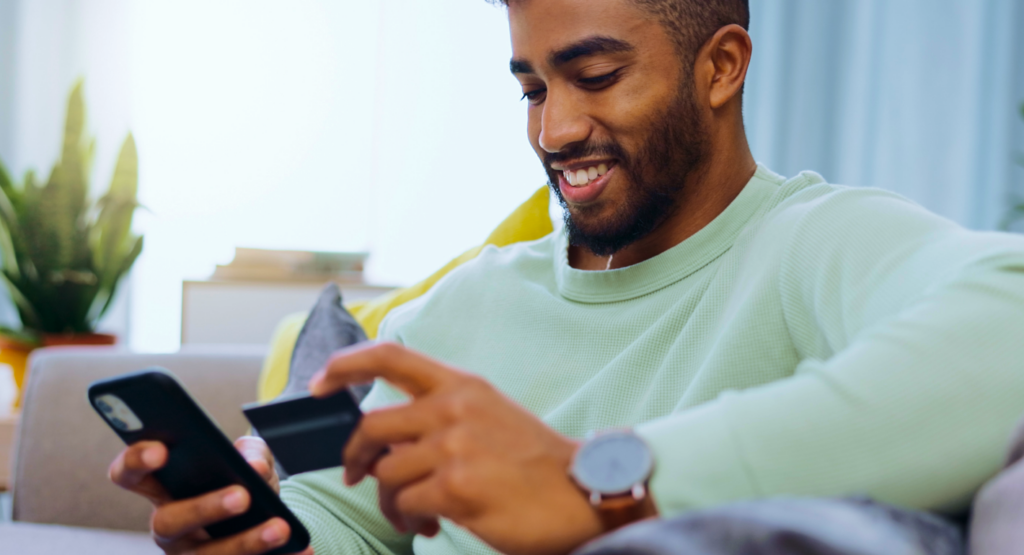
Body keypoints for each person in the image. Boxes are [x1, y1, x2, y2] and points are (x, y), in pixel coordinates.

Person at [110, 0, 1024, 554]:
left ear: (722, 67)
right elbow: (348, 525)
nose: (553, 131)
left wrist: (601, 484)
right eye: (533, 88)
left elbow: (1007, 323)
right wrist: (253, 531)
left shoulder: (813, 243)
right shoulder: (465, 304)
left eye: (595, 74)